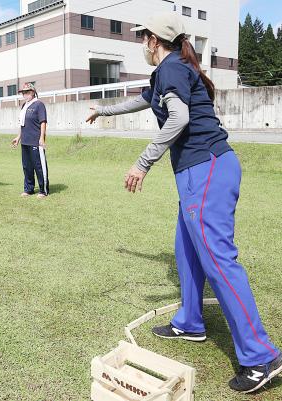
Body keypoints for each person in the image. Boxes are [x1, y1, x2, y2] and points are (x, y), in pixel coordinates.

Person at [86, 13, 281, 394]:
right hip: (198, 173)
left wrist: (143, 163)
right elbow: (140, 102)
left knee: (219, 260)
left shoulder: (173, 69)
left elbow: (179, 117)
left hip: (206, 169)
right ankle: (190, 321)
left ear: (154, 40)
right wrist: (102, 110)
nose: (140, 42)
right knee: (186, 251)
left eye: (142, 36)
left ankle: (260, 357)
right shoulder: (168, 72)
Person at [11, 83, 49, 198]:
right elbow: (22, 124)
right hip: (25, 141)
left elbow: (43, 122)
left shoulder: (39, 105)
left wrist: (42, 138)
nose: (24, 94)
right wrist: (18, 137)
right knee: (27, 167)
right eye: (23, 93)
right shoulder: (24, 106)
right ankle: (29, 189)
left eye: (27, 92)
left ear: (32, 92)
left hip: (35, 141)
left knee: (39, 166)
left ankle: (43, 190)